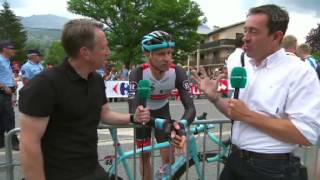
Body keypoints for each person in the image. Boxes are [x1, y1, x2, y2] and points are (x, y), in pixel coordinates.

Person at [192, 4, 320, 180]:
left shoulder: (300, 72)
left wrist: (248, 116)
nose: (245, 38)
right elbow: (236, 112)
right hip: (235, 161)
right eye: (245, 31)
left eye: (254, 31)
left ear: (277, 36)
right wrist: (215, 99)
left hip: (272, 169)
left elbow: (306, 133)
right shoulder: (247, 68)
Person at [19, 19, 151, 180]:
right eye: (104, 47)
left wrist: (132, 117)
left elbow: (105, 114)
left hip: (91, 169)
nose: (108, 52)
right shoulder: (44, 85)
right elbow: (29, 143)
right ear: (85, 53)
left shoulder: (95, 79)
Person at [128, 30, 196, 180]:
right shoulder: (138, 73)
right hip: (142, 115)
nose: (167, 59)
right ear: (147, 54)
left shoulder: (177, 72)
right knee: (145, 158)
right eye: (161, 54)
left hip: (162, 111)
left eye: (170, 53)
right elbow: (133, 110)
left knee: (169, 158)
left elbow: (191, 108)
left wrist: (181, 125)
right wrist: (159, 123)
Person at [0, 41, 19, 150]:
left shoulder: (6, 61)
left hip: (7, 92)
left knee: (2, 117)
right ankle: (14, 143)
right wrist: (4, 87)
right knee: (9, 117)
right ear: (4, 49)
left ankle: (1, 142)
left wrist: (13, 83)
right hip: (2, 92)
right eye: (11, 48)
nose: (14, 50)